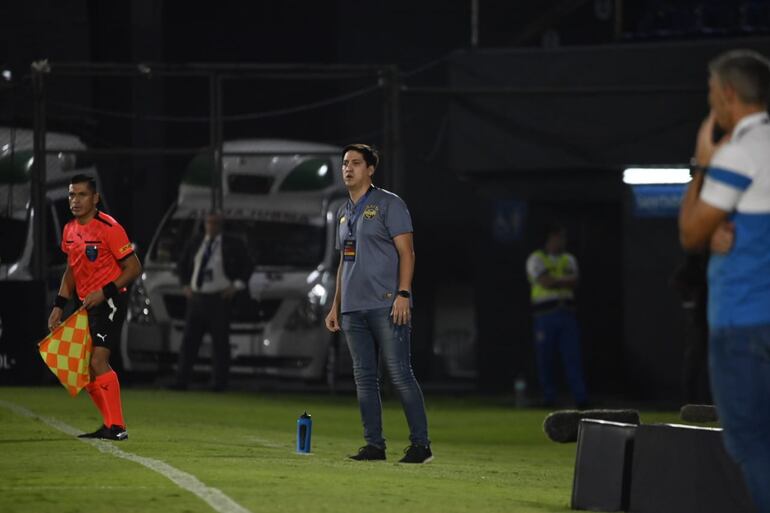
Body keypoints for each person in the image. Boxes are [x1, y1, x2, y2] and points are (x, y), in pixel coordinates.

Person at [679, 49, 770, 513]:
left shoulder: (739, 152)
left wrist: (702, 164)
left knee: (750, 441)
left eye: (712, 91)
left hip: (744, 321)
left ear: (729, 95)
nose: (710, 99)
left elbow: (691, 232)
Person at [325, 143, 432, 464]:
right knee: (364, 378)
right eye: (345, 163)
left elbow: (407, 252)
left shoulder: (389, 204)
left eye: (356, 163)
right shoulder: (343, 212)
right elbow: (344, 261)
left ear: (370, 169)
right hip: (352, 308)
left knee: (399, 374)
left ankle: (421, 445)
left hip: (386, 304)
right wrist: (335, 305)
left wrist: (403, 294)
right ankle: (374, 445)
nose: (348, 168)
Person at [47, 174, 142, 440]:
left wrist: (105, 292)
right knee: (85, 368)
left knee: (98, 360)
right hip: (84, 303)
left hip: (110, 301)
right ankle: (110, 424)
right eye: (71, 195)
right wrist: (58, 306)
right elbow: (71, 270)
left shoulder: (110, 228)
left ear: (95, 198)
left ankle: (117, 426)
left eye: (81, 195)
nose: (75, 201)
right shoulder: (70, 230)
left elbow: (134, 267)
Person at [170, 211, 251, 392]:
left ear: (221, 226)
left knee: (220, 343)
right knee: (189, 341)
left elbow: (247, 265)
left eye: (215, 224)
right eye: (209, 223)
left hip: (219, 298)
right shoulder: (197, 242)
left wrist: (236, 286)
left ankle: (219, 382)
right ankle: (181, 379)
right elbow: (182, 264)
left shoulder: (232, 243)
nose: (212, 227)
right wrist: (185, 285)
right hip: (197, 298)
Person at [525, 223, 589, 409]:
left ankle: (580, 398)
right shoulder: (536, 259)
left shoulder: (568, 259)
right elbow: (544, 281)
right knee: (546, 359)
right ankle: (549, 397)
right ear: (550, 238)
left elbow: (574, 281)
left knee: (572, 357)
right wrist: (561, 281)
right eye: (558, 237)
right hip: (545, 316)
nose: (562, 241)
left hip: (566, 314)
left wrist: (555, 280)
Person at [670, 253, 711, 404]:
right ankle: (691, 401)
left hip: (715, 320)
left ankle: (710, 400)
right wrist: (690, 301)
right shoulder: (693, 265)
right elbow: (677, 281)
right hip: (699, 322)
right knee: (694, 360)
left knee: (711, 363)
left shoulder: (712, 262)